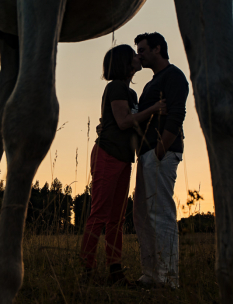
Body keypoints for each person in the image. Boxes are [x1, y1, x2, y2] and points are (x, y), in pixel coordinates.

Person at [80, 44, 166, 286]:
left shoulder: (130, 93)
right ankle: (86, 271)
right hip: (108, 154)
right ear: (124, 63)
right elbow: (123, 122)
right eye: (133, 55)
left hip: (123, 157)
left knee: (116, 217)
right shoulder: (116, 87)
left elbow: (128, 123)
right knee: (99, 214)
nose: (138, 57)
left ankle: (115, 271)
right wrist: (154, 109)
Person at [132, 32, 189, 288]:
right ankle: (151, 273)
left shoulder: (174, 76)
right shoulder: (151, 84)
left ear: (157, 49)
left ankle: (168, 278)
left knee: (161, 213)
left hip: (161, 153)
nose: (139, 55)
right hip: (147, 154)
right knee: (143, 214)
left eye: (142, 50)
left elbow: (177, 114)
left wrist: (160, 149)